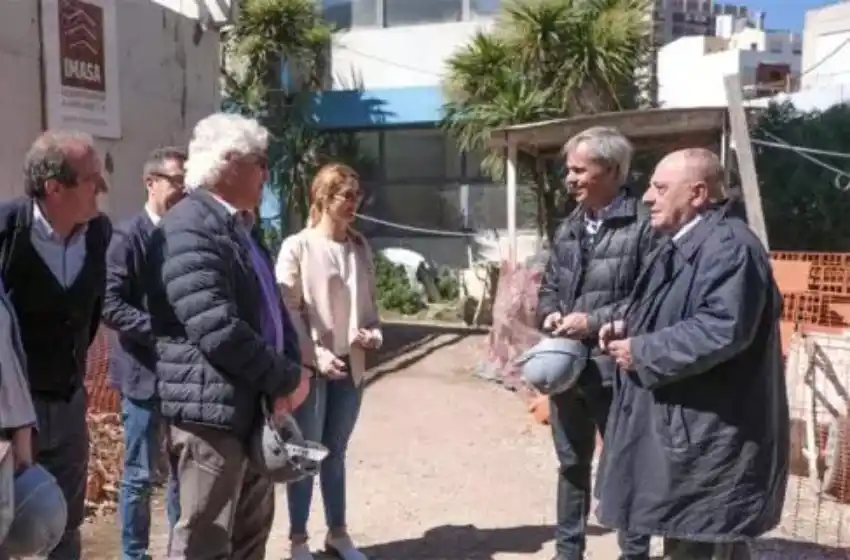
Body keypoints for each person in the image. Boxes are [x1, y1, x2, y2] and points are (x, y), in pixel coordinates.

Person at [597, 148, 790, 560]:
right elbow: (682, 312)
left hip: (707, 434)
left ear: (698, 193)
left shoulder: (729, 248)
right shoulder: (685, 243)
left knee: (698, 535)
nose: (647, 196)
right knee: (702, 534)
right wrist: (628, 327)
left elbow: (722, 328)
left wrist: (643, 349)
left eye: (661, 188)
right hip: (687, 427)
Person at [145, 113, 303, 559]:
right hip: (208, 416)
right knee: (204, 541)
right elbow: (216, 329)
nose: (266, 174)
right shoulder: (189, 226)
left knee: (251, 537)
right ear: (229, 162)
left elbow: (272, 307)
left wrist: (290, 366)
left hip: (247, 407)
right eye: (260, 162)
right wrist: (283, 376)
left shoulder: (241, 226)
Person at [535, 127, 658, 560]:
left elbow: (650, 299)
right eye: (568, 169)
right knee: (571, 465)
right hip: (568, 369)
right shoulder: (569, 226)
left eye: (578, 170)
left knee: (625, 464)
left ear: (610, 170)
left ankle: (634, 553)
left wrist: (594, 320)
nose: (569, 178)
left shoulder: (644, 224)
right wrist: (548, 312)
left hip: (618, 369)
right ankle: (568, 553)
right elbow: (548, 285)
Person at [0, 130, 112, 559]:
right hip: (11, 419)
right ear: (54, 188)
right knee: (11, 530)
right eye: (91, 179)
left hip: (68, 408)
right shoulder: (8, 232)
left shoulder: (98, 233)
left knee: (62, 527)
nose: (101, 188)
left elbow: (90, 316)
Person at [275, 163, 383, 560]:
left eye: (357, 195)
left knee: (336, 451)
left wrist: (372, 334)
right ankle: (298, 540)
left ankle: (338, 534)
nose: (354, 203)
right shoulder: (297, 246)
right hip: (311, 367)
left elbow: (371, 310)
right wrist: (314, 354)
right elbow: (287, 310)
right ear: (323, 197)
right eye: (346, 195)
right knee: (307, 453)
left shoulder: (359, 247)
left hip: (349, 365)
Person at [102, 147, 187, 559]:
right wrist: (161, 332)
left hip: (182, 376)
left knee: (180, 473)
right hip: (142, 375)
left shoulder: (185, 234)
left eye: (185, 181)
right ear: (150, 182)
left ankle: (178, 550)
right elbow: (110, 304)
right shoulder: (127, 236)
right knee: (138, 475)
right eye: (175, 180)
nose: (182, 189)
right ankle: (134, 554)